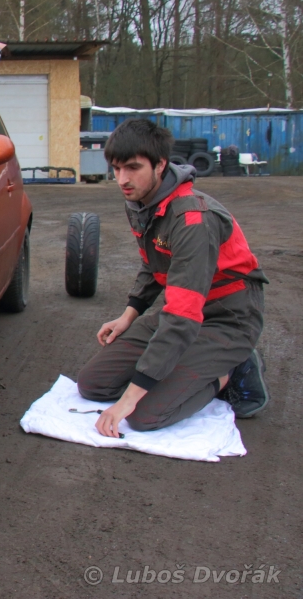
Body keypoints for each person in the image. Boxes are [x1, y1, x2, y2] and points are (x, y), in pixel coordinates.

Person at [76, 118, 269, 437]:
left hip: (227, 317)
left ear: (160, 164)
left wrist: (129, 400)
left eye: (133, 168)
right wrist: (128, 316)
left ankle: (232, 370)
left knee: (144, 415)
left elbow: (182, 316)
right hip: (186, 311)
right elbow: (152, 264)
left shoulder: (193, 219)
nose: (122, 179)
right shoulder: (140, 202)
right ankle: (186, 369)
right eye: (116, 168)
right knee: (93, 384)